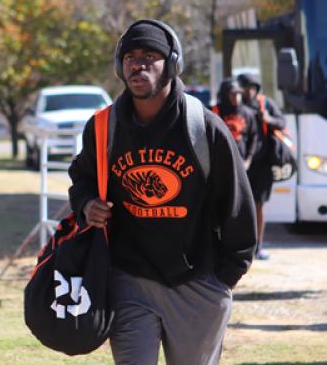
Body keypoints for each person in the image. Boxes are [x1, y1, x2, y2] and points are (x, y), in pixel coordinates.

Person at [69, 19, 257, 365]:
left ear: (172, 62)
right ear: (119, 66)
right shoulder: (102, 127)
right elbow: (80, 178)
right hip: (128, 280)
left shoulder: (205, 128)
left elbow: (237, 208)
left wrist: (223, 280)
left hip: (197, 283)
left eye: (150, 56)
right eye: (130, 57)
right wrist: (86, 205)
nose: (138, 65)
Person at [237, 73, 286, 261]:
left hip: (262, 164)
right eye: (246, 87)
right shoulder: (236, 105)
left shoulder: (265, 103)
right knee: (238, 206)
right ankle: (241, 247)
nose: (249, 91)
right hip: (240, 163)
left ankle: (258, 247)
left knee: (259, 205)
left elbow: (282, 122)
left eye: (253, 87)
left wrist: (268, 119)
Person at [212, 78, 258, 171]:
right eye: (233, 94)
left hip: (241, 164)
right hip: (218, 164)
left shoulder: (247, 113)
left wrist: (248, 160)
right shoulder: (213, 112)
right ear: (225, 95)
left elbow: (253, 137)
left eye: (239, 94)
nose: (236, 97)